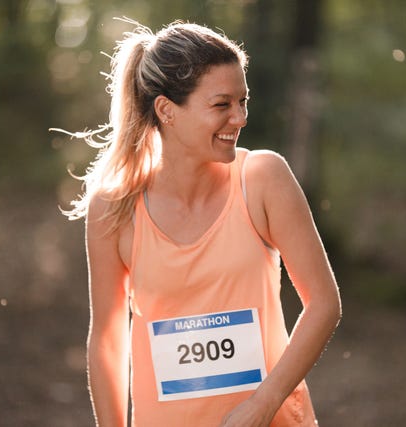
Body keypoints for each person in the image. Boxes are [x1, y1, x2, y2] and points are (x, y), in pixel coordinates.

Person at [64, 19, 341, 427]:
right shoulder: (114, 207)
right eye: (222, 104)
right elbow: (107, 340)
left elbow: (324, 304)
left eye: (244, 101)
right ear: (166, 111)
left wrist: (261, 406)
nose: (240, 117)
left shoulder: (263, 178)